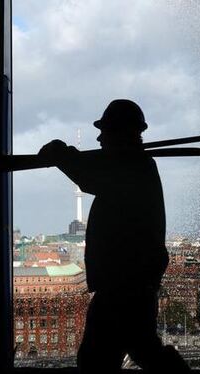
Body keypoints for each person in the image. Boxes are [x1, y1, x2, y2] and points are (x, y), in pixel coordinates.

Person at [38, 99, 190, 373]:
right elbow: (94, 171)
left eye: (104, 131)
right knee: (139, 350)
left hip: (124, 286)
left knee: (101, 359)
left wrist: (61, 153)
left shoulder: (134, 167)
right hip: (129, 284)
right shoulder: (137, 165)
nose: (98, 137)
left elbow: (89, 177)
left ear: (120, 133)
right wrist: (65, 156)